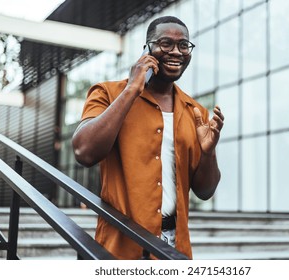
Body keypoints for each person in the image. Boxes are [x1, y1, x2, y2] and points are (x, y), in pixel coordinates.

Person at [72, 16, 224, 260]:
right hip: (121, 247)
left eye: (184, 45)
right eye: (166, 43)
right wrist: (133, 87)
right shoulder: (108, 93)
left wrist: (208, 153)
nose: (176, 52)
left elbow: (205, 191)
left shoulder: (195, 111)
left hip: (175, 248)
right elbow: (84, 152)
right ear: (147, 49)